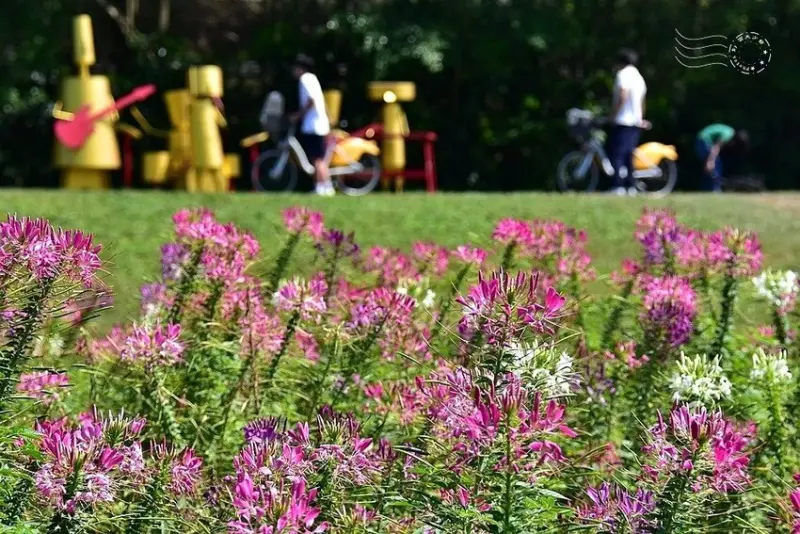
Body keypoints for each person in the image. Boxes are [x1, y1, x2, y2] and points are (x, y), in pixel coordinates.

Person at [607, 48, 650, 196]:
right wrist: (640, 117)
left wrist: (613, 114)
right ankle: (630, 186)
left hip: (623, 120)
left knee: (617, 154)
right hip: (635, 122)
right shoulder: (639, 78)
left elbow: (623, 96)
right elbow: (642, 101)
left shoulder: (623, 75)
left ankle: (617, 186)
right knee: (628, 155)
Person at [289, 54, 333, 196]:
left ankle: (322, 187)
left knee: (317, 159)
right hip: (320, 123)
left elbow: (311, 100)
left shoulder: (305, 79)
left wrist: (298, 115)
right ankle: (324, 186)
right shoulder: (313, 79)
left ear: (300, 68)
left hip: (313, 125)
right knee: (319, 158)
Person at [694, 124, 750, 192]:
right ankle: (714, 189)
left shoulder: (729, 131)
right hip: (704, 140)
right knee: (716, 165)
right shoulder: (727, 135)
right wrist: (710, 161)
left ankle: (707, 189)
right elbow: (716, 147)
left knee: (710, 169)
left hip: (701, 138)